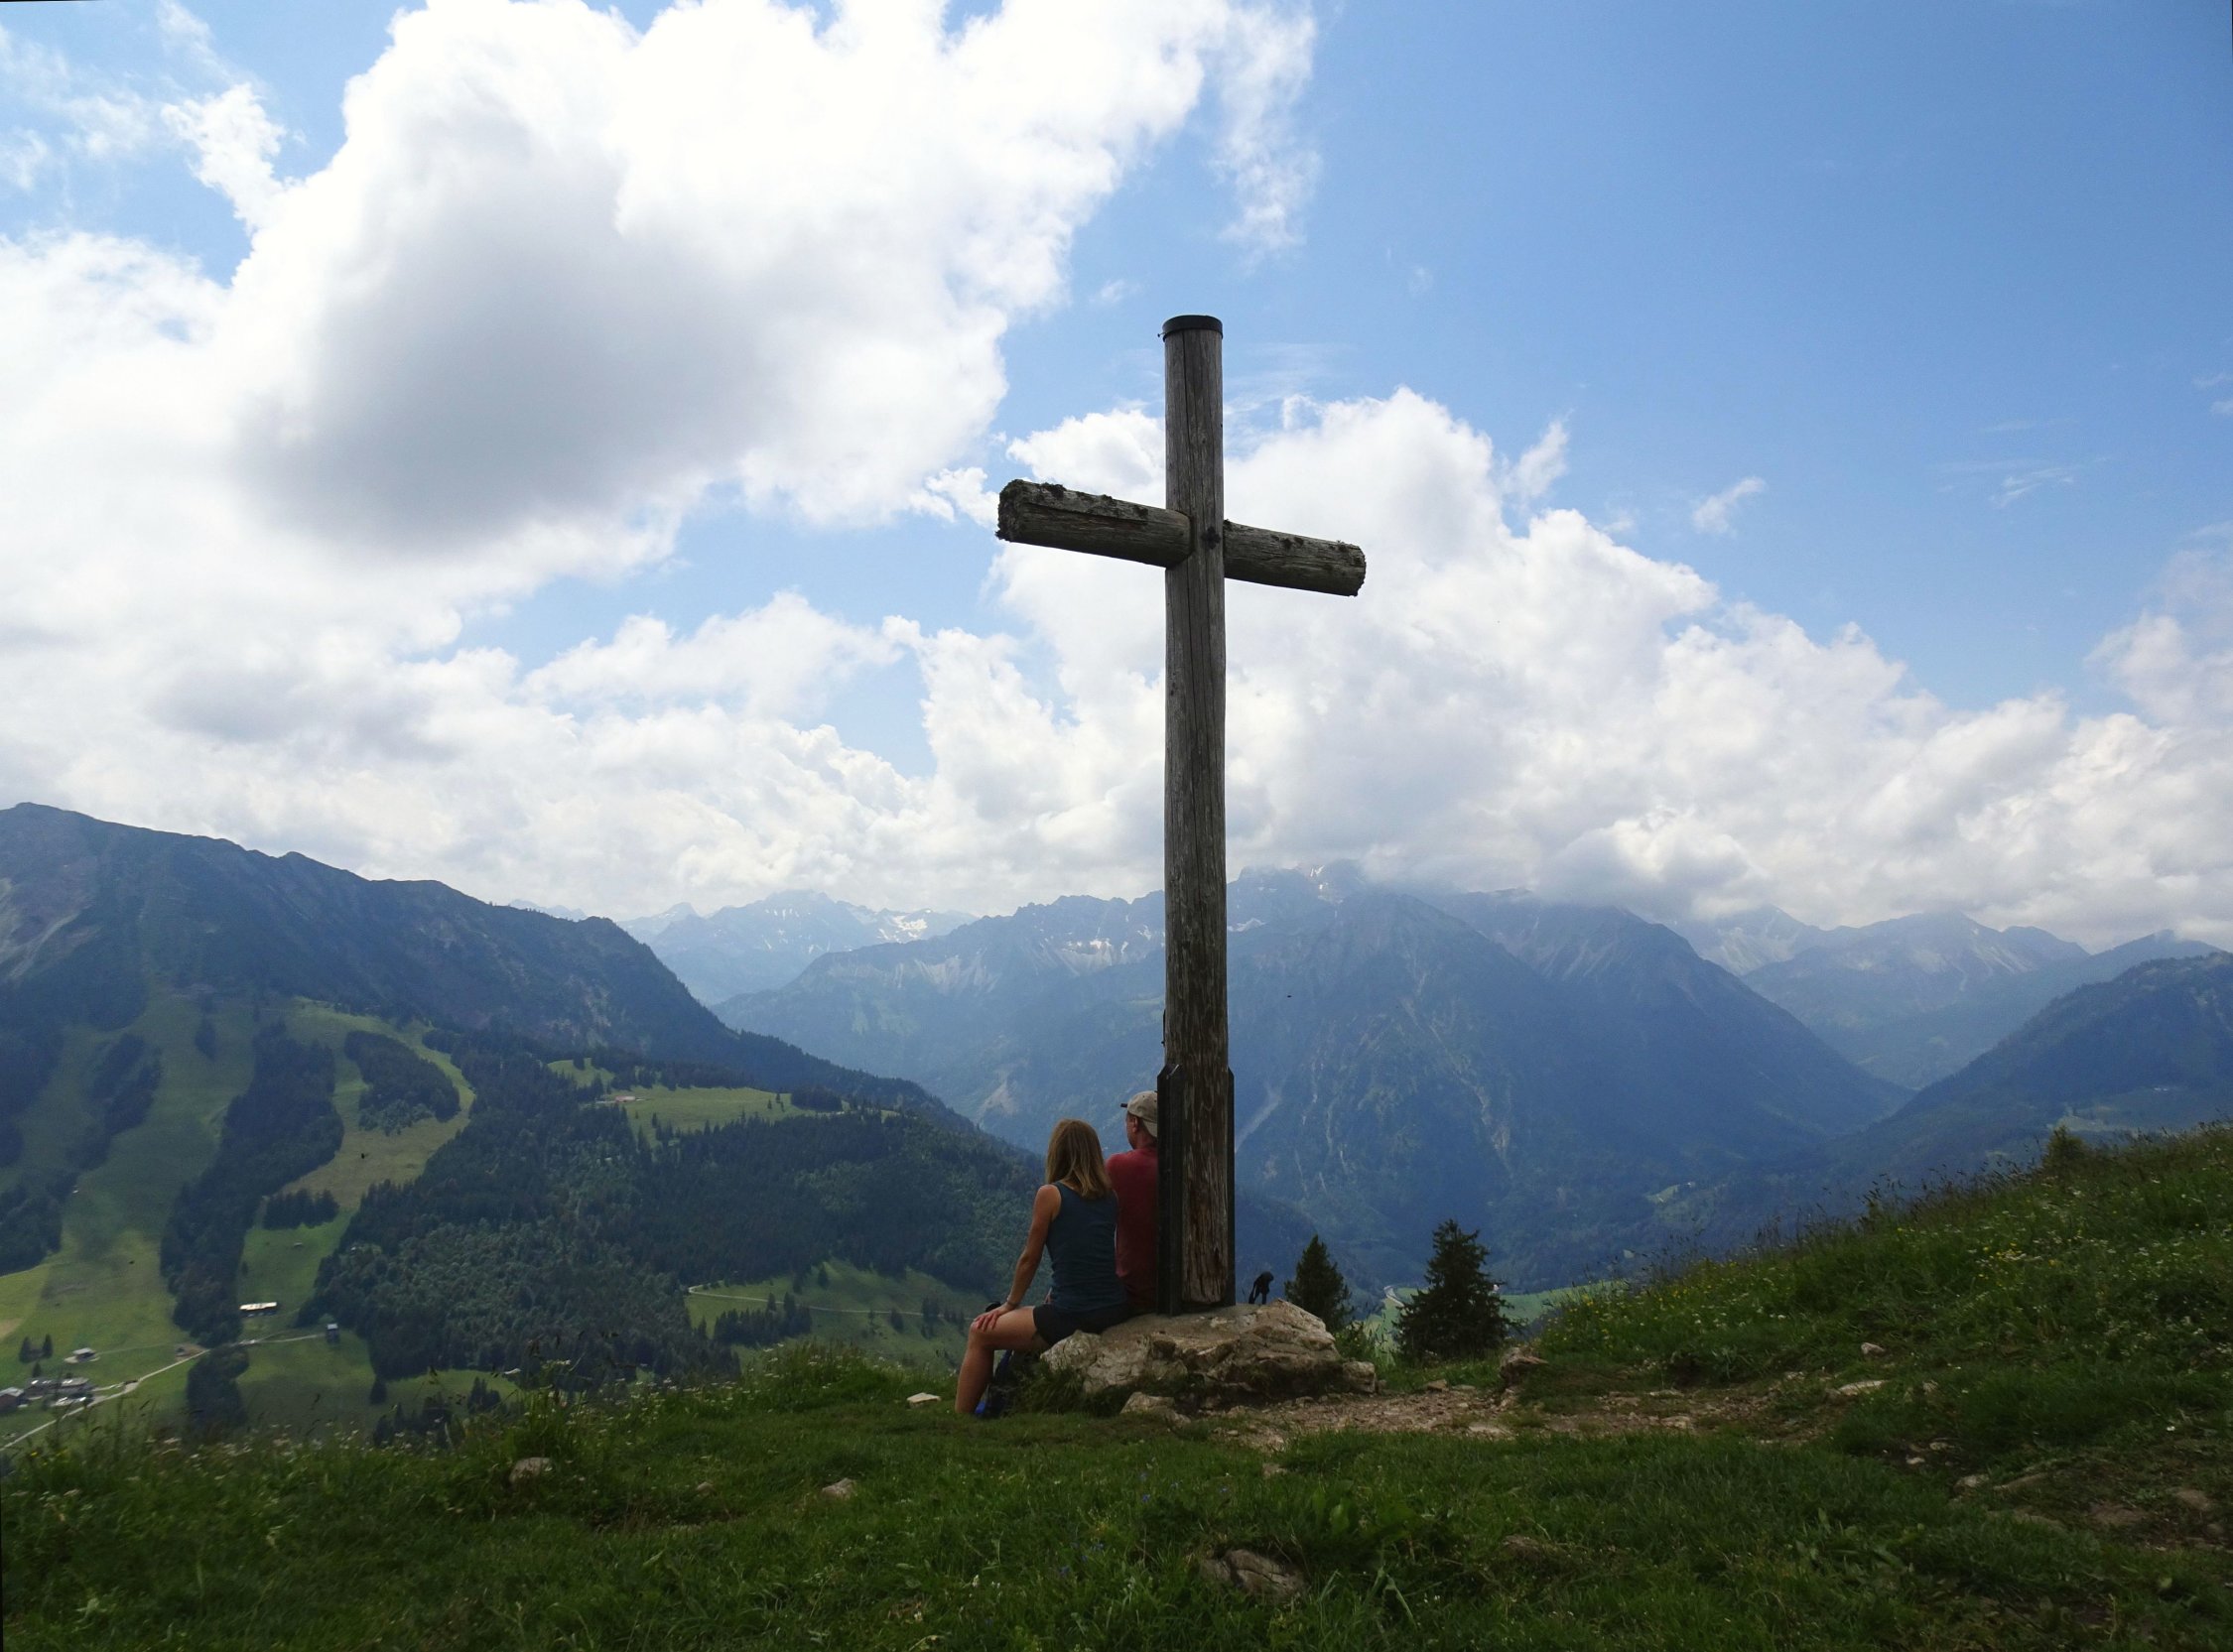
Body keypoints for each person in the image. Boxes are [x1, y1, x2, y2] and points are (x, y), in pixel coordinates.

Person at [954, 1117, 1131, 1416]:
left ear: (1058, 1151)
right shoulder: (1109, 1197)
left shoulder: (1050, 1195)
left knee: (980, 1332)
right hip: (1112, 1306)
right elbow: (1088, 1252)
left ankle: (960, 1418)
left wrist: (1010, 1304)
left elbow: (1030, 1258)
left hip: (1073, 1313)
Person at [1106, 1089, 1160, 1312]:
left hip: (1132, 1295)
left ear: (1135, 1123)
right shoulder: (1182, 1164)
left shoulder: (1118, 1166)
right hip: (1176, 1292)